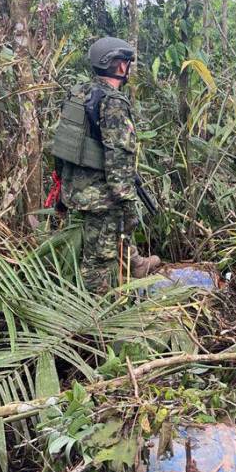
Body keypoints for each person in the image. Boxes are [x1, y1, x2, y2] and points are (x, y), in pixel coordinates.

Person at [48, 36, 161, 289]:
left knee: (113, 231)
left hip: (75, 186)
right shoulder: (113, 102)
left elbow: (63, 143)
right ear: (120, 65)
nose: (128, 68)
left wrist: (61, 186)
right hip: (101, 194)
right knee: (99, 258)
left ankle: (135, 264)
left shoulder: (78, 93)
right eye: (128, 63)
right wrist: (126, 200)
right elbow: (119, 156)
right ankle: (96, 305)